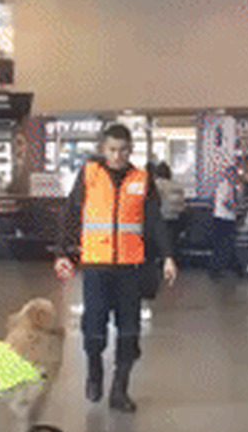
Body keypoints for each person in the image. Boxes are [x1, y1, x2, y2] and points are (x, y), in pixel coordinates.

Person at [54, 122, 177, 413]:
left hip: (130, 269)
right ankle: (94, 373)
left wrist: (168, 255)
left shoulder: (141, 179)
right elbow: (71, 214)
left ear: (130, 150)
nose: (118, 155)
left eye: (123, 150)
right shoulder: (89, 175)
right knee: (94, 329)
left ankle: (120, 390)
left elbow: (155, 221)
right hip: (96, 267)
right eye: (112, 149)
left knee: (129, 331)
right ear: (102, 149)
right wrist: (63, 252)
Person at [210, 167, 242, 278]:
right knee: (224, 244)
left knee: (227, 244)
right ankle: (217, 268)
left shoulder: (231, 187)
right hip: (223, 218)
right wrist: (235, 210)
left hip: (227, 218)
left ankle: (230, 267)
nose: (233, 177)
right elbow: (225, 202)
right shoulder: (225, 187)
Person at [154, 162, 186, 259]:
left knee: (163, 242)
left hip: (163, 217)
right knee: (173, 241)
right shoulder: (177, 185)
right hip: (177, 217)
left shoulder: (158, 184)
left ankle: (164, 261)